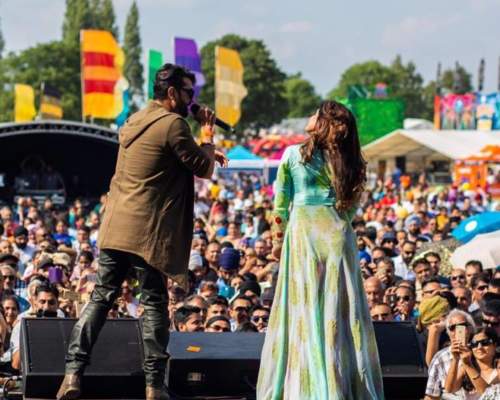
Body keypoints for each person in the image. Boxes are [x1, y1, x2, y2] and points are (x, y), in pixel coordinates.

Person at [57, 63, 227, 400]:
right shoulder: (174, 124)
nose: (192, 100)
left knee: (100, 298)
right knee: (153, 304)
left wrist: (199, 147)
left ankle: (72, 374)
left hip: (116, 226)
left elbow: (161, 159)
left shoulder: (134, 120)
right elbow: (204, 168)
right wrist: (207, 132)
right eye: (189, 93)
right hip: (146, 232)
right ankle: (154, 385)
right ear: (172, 93)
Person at [257, 101, 383, 399]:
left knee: (304, 308)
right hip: (337, 237)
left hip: (302, 235)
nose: (310, 116)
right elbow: (352, 207)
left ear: (324, 123)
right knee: (338, 310)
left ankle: (306, 386)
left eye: (316, 113)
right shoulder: (351, 161)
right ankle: (337, 386)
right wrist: (335, 222)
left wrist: (277, 240)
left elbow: (279, 204)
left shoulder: (291, 155)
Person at [425, 309, 476, 400]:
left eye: (462, 326)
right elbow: (431, 396)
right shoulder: (440, 358)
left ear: (470, 328)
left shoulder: (481, 351)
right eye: (452, 327)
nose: (457, 330)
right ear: (448, 333)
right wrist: (455, 359)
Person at [445, 328, 500, 397]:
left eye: (485, 342)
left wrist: (468, 365)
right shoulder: (465, 368)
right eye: (474, 344)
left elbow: (488, 395)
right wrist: (455, 358)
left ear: (495, 345)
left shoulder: (498, 367)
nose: (479, 347)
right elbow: (449, 389)